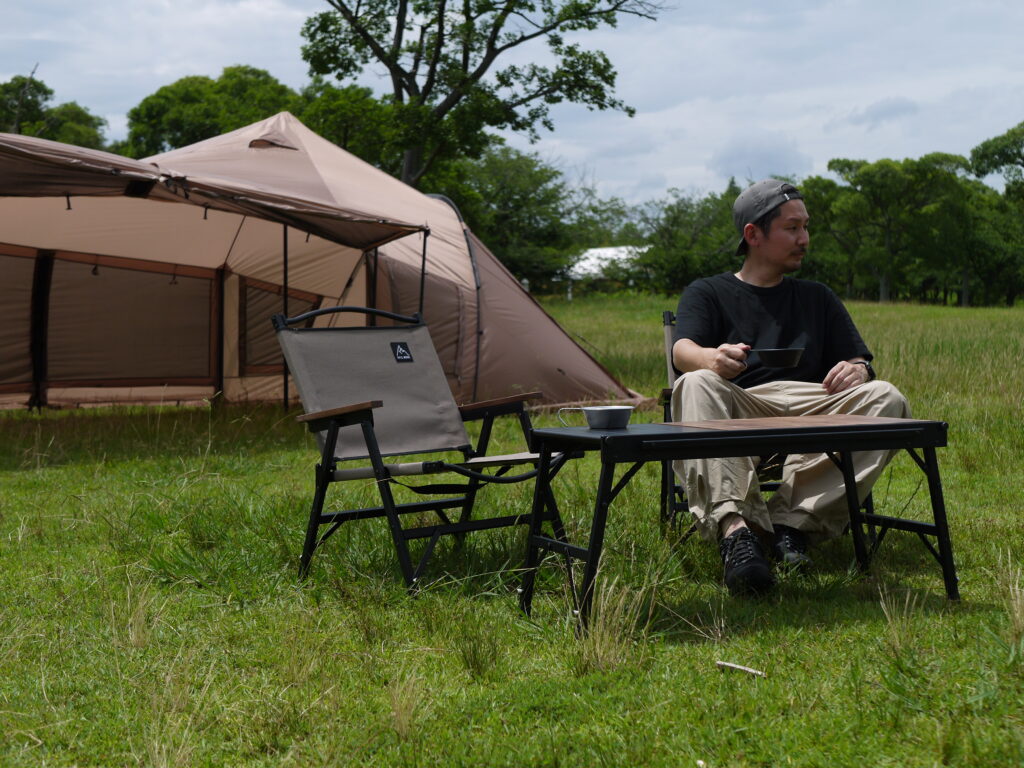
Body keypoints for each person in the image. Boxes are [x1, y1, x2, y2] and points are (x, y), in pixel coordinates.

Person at [670, 178, 910, 596]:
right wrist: (712, 359)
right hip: (743, 404)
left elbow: (858, 360)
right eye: (793, 228)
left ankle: (790, 526)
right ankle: (738, 535)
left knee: (887, 396)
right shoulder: (708, 291)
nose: (805, 238)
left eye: (806, 227)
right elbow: (682, 350)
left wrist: (858, 372)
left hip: (813, 404)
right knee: (694, 383)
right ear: (753, 235)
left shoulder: (817, 296)